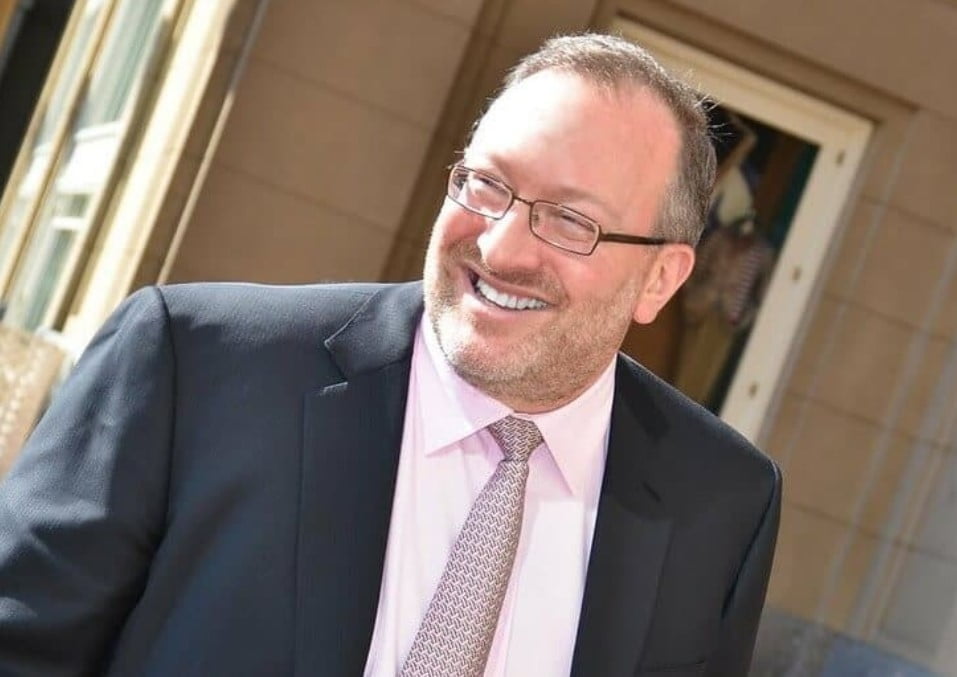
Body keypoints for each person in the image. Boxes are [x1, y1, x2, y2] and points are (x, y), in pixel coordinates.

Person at [0, 33, 780, 677]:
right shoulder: (199, 365)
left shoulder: (721, 501)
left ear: (659, 278)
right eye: (486, 184)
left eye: (571, 222)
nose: (500, 248)